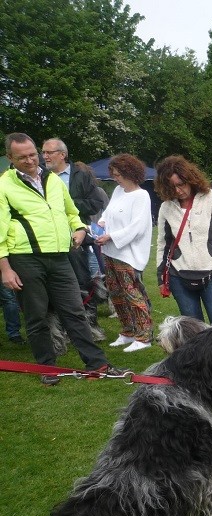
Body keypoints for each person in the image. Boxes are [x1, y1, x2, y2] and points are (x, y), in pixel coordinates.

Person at [0, 133, 126, 385]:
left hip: (60, 257)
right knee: (37, 317)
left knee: (75, 311)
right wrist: (5, 268)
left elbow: (71, 211)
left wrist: (79, 228)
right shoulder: (4, 185)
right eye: (22, 157)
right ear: (10, 158)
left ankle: (97, 364)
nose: (30, 160)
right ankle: (46, 368)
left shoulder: (54, 181)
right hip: (26, 259)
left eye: (33, 154)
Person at [154, 155, 212, 324]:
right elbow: (163, 244)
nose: (178, 191)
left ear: (191, 179)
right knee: (194, 333)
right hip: (179, 276)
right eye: (172, 187)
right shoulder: (166, 207)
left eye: (181, 184)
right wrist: (161, 277)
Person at [41, 138, 106, 340]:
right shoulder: (39, 176)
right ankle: (60, 331)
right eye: (43, 152)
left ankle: (91, 328)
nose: (45, 156)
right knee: (52, 287)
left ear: (63, 154)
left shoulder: (81, 175)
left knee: (82, 283)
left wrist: (64, 204)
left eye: (49, 152)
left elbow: (95, 203)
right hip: (47, 242)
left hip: (75, 241)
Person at [95, 154, 153, 352]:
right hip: (110, 252)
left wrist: (110, 236)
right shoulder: (119, 191)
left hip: (127, 254)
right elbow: (108, 212)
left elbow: (137, 227)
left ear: (130, 173)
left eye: (118, 175)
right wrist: (101, 223)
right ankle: (128, 331)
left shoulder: (141, 196)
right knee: (115, 293)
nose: (115, 178)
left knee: (132, 294)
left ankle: (144, 336)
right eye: (114, 174)